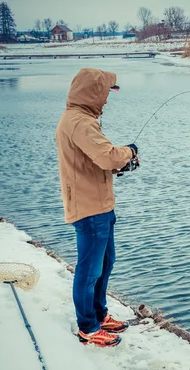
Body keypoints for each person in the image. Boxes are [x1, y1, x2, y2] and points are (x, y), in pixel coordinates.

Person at [55, 68, 138, 347]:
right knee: (89, 270)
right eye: (104, 94)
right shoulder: (80, 122)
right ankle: (88, 327)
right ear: (92, 92)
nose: (106, 101)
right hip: (89, 209)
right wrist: (129, 152)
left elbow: (94, 162)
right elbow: (106, 155)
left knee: (105, 264)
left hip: (100, 205)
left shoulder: (81, 119)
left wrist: (119, 164)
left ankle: (100, 315)